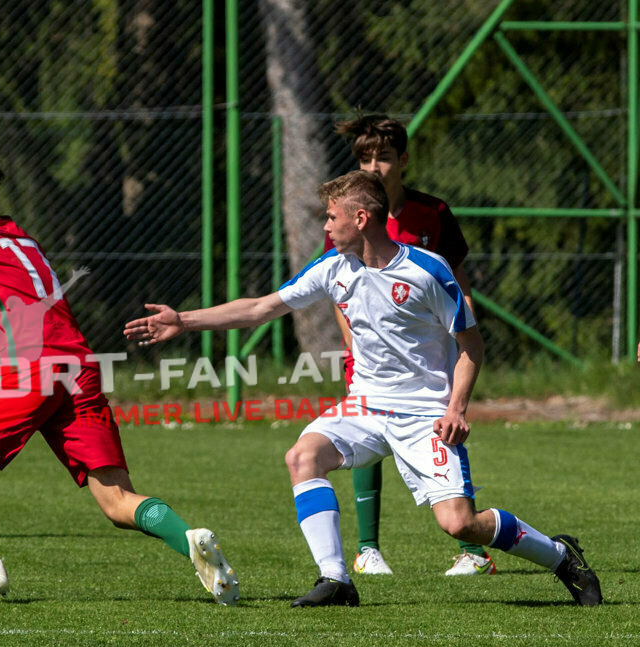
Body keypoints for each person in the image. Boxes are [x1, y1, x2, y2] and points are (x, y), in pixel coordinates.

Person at [125, 170, 602, 608]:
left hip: (425, 414)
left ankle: (561, 556)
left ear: (361, 218)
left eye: (332, 217)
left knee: (461, 524)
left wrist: (456, 409)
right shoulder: (334, 267)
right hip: (365, 406)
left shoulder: (427, 271)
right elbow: (260, 308)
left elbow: (471, 346)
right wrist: (184, 320)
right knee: (302, 457)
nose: (326, 226)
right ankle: (336, 579)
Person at [0, 147, 239, 605]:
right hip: (77, 367)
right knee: (116, 501)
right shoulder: (22, 240)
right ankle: (189, 537)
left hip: (30, 371)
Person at [325, 114, 490, 577]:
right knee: (362, 432)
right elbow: (338, 286)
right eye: (364, 158)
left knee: (445, 430)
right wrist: (352, 343)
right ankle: (368, 549)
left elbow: (456, 277)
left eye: (382, 157)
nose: (373, 167)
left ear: (403, 160)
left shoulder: (431, 213)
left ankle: (474, 549)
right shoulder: (347, 215)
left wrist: (465, 328)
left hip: (429, 353)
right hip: (370, 355)